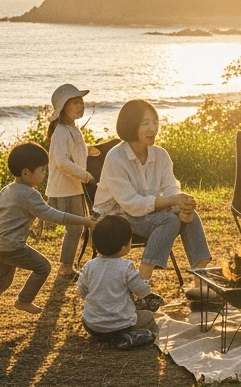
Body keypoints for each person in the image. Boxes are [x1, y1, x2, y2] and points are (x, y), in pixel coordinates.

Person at [92, 99, 214, 301]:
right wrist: (171, 202)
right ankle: (143, 283)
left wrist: (180, 205)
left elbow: (170, 187)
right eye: (145, 123)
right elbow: (131, 203)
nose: (153, 128)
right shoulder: (116, 158)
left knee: (189, 216)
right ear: (131, 125)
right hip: (115, 215)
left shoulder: (160, 155)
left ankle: (200, 279)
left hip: (147, 212)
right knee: (170, 220)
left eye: (155, 122)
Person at [0, 142, 97, 320]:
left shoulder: (7, 189)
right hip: (11, 247)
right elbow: (55, 216)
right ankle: (24, 300)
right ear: (26, 172)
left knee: (2, 279)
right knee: (43, 267)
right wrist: (86, 221)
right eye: (42, 170)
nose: (45, 174)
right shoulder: (30, 195)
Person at [77, 214, 161, 350]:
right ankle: (127, 336)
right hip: (120, 325)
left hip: (92, 325)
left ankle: (107, 335)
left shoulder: (89, 266)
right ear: (124, 247)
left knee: (90, 318)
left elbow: (82, 289)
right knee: (149, 317)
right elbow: (141, 289)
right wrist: (148, 292)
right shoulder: (126, 267)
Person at [44, 83, 98, 279]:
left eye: (81, 102)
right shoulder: (61, 132)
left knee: (77, 226)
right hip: (66, 187)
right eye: (75, 103)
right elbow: (62, 162)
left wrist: (88, 150)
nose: (80, 106)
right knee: (75, 227)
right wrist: (85, 175)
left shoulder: (71, 129)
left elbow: (71, 152)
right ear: (63, 107)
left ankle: (67, 265)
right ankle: (65, 267)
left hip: (74, 186)